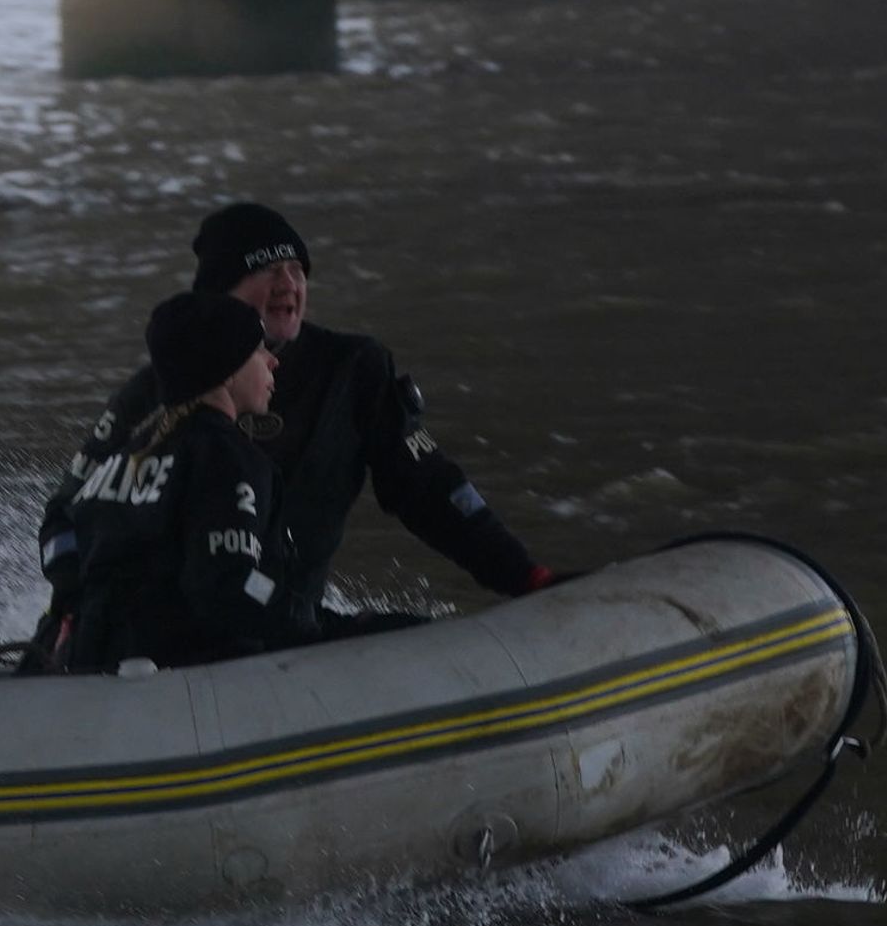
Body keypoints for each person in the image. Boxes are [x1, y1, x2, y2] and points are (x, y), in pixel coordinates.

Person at [33, 201, 560, 657]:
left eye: (297, 269)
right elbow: (66, 515)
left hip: (282, 633)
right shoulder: (161, 388)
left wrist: (524, 576)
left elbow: (431, 489)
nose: (288, 284)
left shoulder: (353, 369)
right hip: (158, 649)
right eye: (268, 270)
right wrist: (72, 609)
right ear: (218, 295)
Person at [55, 292, 307, 674]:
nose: (273, 360)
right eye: (258, 351)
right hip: (178, 688)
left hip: (90, 665)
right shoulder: (227, 457)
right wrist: (310, 618)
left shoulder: (121, 458)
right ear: (226, 370)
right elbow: (227, 584)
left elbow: (66, 542)